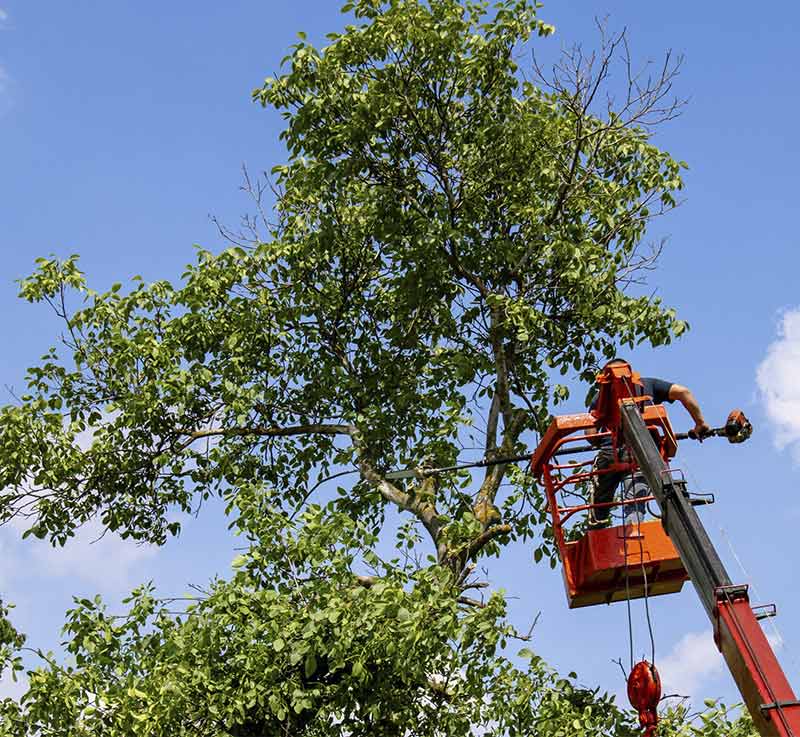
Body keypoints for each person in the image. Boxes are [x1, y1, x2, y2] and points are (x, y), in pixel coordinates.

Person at [586, 359, 710, 531]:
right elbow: (683, 392)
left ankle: (596, 534)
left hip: (610, 452)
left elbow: (590, 435)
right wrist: (700, 423)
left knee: (599, 503)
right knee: (636, 500)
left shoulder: (600, 397)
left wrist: (603, 442)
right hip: (644, 450)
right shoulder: (648, 384)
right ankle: (633, 531)